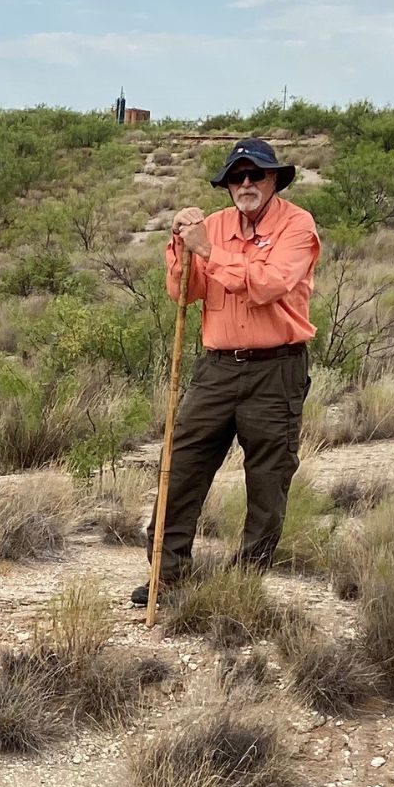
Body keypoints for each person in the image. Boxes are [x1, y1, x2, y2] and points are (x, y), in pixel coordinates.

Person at [135, 136, 322, 606]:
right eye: (236, 177)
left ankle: (245, 583)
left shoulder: (298, 226)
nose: (245, 183)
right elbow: (185, 293)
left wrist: (208, 252)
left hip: (275, 369)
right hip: (217, 369)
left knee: (267, 479)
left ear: (274, 178)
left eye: (255, 174)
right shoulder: (213, 227)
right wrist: (180, 247)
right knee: (181, 466)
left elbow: (269, 284)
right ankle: (168, 572)